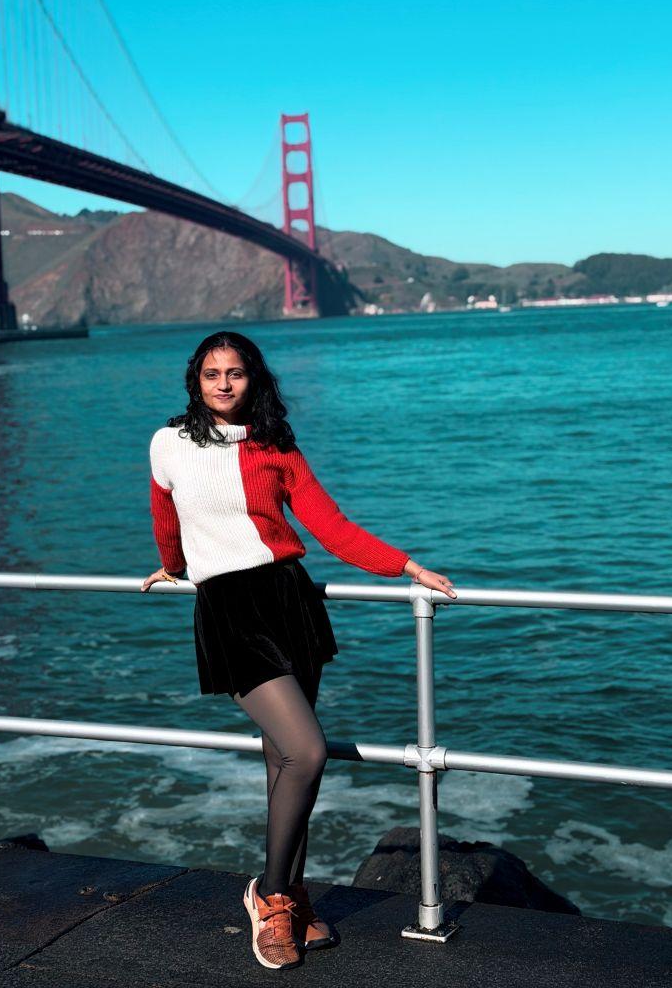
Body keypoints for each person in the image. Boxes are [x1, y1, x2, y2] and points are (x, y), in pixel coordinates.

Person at [142, 330, 455, 970]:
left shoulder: (276, 446)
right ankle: (272, 894)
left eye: (236, 373)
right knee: (308, 750)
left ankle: (295, 899)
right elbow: (166, 520)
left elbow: (331, 526)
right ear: (194, 382)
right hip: (230, 612)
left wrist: (405, 566)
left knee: (287, 762)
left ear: (254, 380)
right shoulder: (168, 443)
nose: (224, 384)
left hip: (289, 601)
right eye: (211, 374)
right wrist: (171, 568)